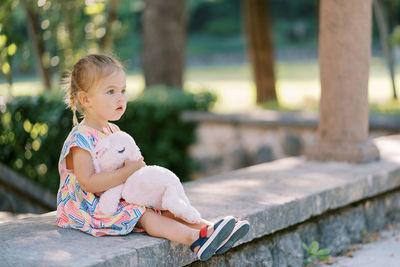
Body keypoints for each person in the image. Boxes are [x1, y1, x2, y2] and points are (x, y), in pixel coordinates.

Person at [56, 54, 249, 261]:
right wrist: (128, 171)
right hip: (88, 207)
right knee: (142, 213)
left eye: (123, 90)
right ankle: (194, 239)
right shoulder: (81, 138)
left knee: (160, 204)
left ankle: (209, 230)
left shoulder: (112, 130)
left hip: (114, 195)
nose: (120, 97)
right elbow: (88, 183)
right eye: (110, 91)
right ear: (86, 99)